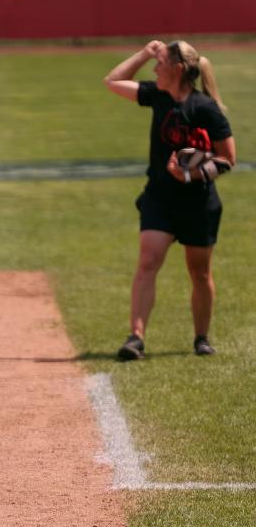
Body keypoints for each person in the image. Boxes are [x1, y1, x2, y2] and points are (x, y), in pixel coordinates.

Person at [104, 40, 236, 360]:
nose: (155, 68)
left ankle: (201, 338)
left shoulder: (205, 108)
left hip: (197, 202)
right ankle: (135, 337)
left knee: (199, 271)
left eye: (160, 63)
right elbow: (113, 81)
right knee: (148, 261)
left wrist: (190, 175)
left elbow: (227, 159)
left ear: (177, 69)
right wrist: (145, 52)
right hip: (160, 198)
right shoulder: (157, 95)